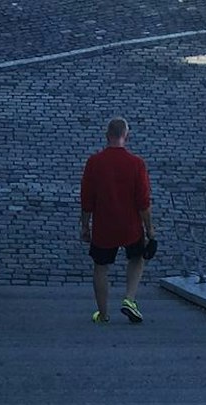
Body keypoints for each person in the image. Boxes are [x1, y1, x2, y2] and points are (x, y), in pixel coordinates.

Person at [79, 117, 156, 324]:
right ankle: (129, 299)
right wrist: (150, 230)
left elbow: (87, 198)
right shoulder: (137, 164)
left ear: (107, 136)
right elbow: (143, 201)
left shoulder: (94, 162)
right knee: (137, 258)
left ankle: (103, 314)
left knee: (101, 267)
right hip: (131, 226)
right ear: (126, 136)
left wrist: (85, 226)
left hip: (104, 226)